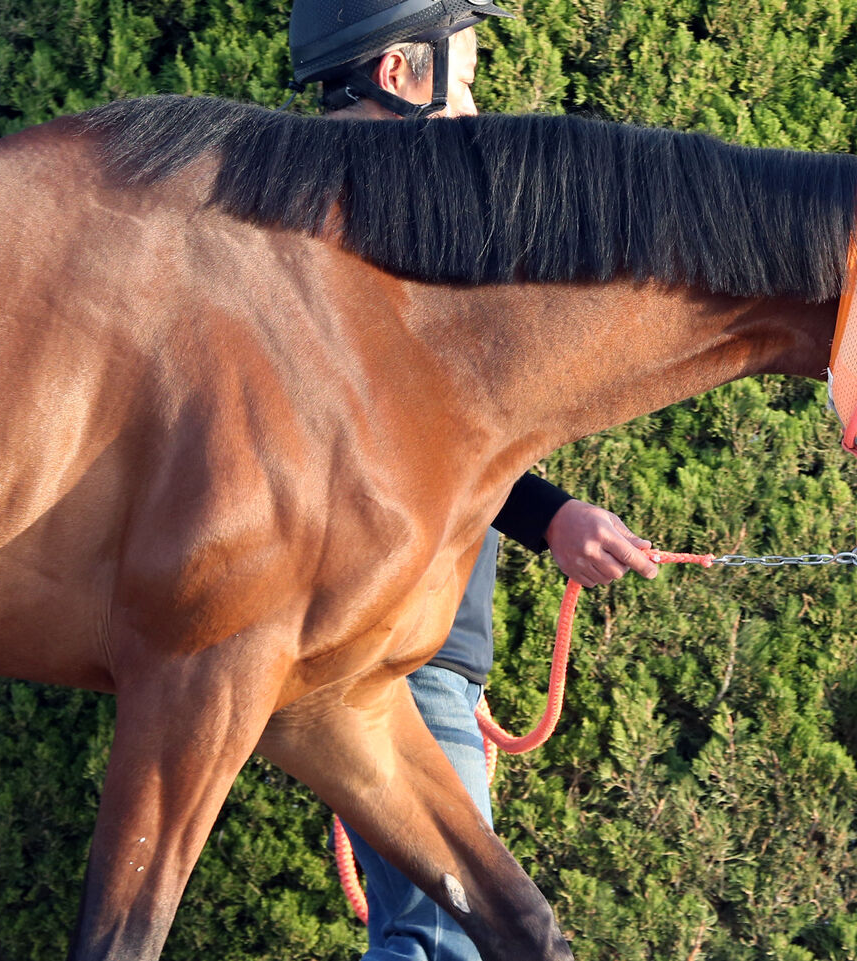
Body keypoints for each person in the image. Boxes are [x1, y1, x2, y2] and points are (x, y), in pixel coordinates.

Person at [287, 3, 659, 958]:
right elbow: (416, 437)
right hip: (408, 654)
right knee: (450, 934)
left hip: (412, 646)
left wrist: (551, 514)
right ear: (401, 71)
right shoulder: (358, 241)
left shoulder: (306, 233)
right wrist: (553, 513)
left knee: (429, 935)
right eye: (466, 82)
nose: (479, 109)